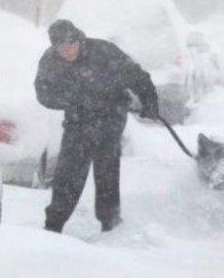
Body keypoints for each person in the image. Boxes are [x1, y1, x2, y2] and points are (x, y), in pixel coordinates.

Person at [35, 19, 159, 233]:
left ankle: (110, 221)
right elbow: (44, 94)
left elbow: (137, 75)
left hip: (110, 115)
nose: (68, 51)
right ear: (55, 47)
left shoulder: (103, 51)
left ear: (79, 40)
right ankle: (54, 224)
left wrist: (149, 101)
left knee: (107, 168)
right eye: (62, 48)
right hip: (78, 120)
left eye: (71, 45)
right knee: (69, 171)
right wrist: (73, 100)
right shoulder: (50, 62)